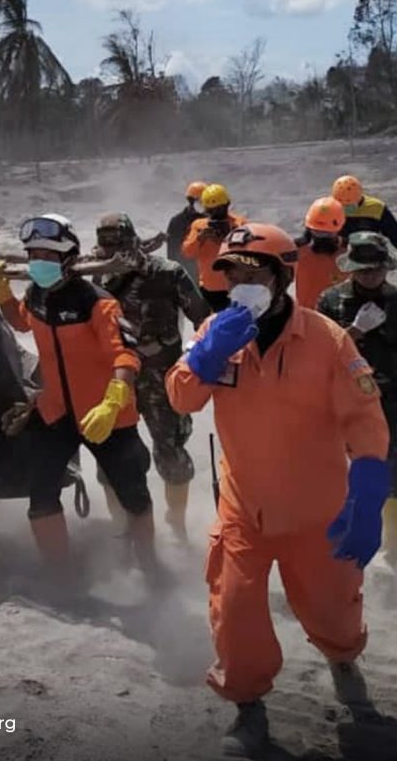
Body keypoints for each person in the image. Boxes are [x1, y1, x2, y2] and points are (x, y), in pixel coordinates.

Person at [166, 223, 390, 757]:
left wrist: (367, 493)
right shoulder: (215, 331)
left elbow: (364, 417)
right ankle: (248, 706)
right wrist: (205, 355)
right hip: (245, 507)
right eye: (232, 274)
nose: (241, 283)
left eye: (254, 273)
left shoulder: (326, 340)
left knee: (333, 607)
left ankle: (343, 660)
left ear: (281, 277)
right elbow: (181, 399)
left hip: (319, 510)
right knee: (235, 610)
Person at [0, 214, 158, 572]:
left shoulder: (98, 303)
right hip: (56, 412)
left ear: (69, 257)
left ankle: (149, 564)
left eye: (48, 255)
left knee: (134, 495)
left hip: (106, 416)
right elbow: (21, 321)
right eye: (33, 255)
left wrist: (114, 399)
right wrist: (1, 293)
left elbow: (125, 354)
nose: (38, 262)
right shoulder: (36, 294)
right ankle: (59, 571)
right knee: (41, 495)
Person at [94, 213, 210, 541]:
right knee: (111, 452)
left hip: (161, 380)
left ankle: (177, 523)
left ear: (134, 241)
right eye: (106, 246)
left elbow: (203, 320)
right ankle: (122, 523)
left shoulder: (166, 274)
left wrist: (192, 362)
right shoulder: (94, 276)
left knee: (171, 450)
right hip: (116, 380)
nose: (113, 252)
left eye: (119, 244)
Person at [318, 231, 397, 568]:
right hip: (345, 401)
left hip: (391, 401)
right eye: (363, 270)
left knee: (389, 472)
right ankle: (339, 537)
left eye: (376, 269)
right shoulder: (331, 301)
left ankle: (390, 546)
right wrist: (354, 331)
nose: (370, 276)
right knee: (342, 470)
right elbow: (317, 355)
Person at [182, 184, 247, 312]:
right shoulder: (199, 226)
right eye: (211, 210)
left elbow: (249, 252)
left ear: (227, 205)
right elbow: (187, 252)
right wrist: (200, 238)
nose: (215, 214)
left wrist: (228, 237)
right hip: (209, 290)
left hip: (236, 287)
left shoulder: (240, 223)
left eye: (219, 209)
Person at [294, 196, 348, 308]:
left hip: (336, 315)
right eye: (318, 232)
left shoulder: (349, 252)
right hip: (305, 315)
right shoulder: (296, 251)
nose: (323, 237)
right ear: (309, 229)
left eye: (328, 234)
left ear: (339, 228)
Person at [332, 174, 397, 246]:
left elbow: (394, 234)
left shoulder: (376, 208)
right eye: (342, 205)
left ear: (359, 198)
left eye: (349, 204)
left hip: (368, 248)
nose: (346, 207)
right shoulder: (329, 207)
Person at [165, 180, 207, 283]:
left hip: (207, 275)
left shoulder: (210, 219)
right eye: (200, 201)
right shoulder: (177, 221)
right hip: (187, 276)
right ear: (191, 201)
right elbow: (172, 252)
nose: (204, 204)